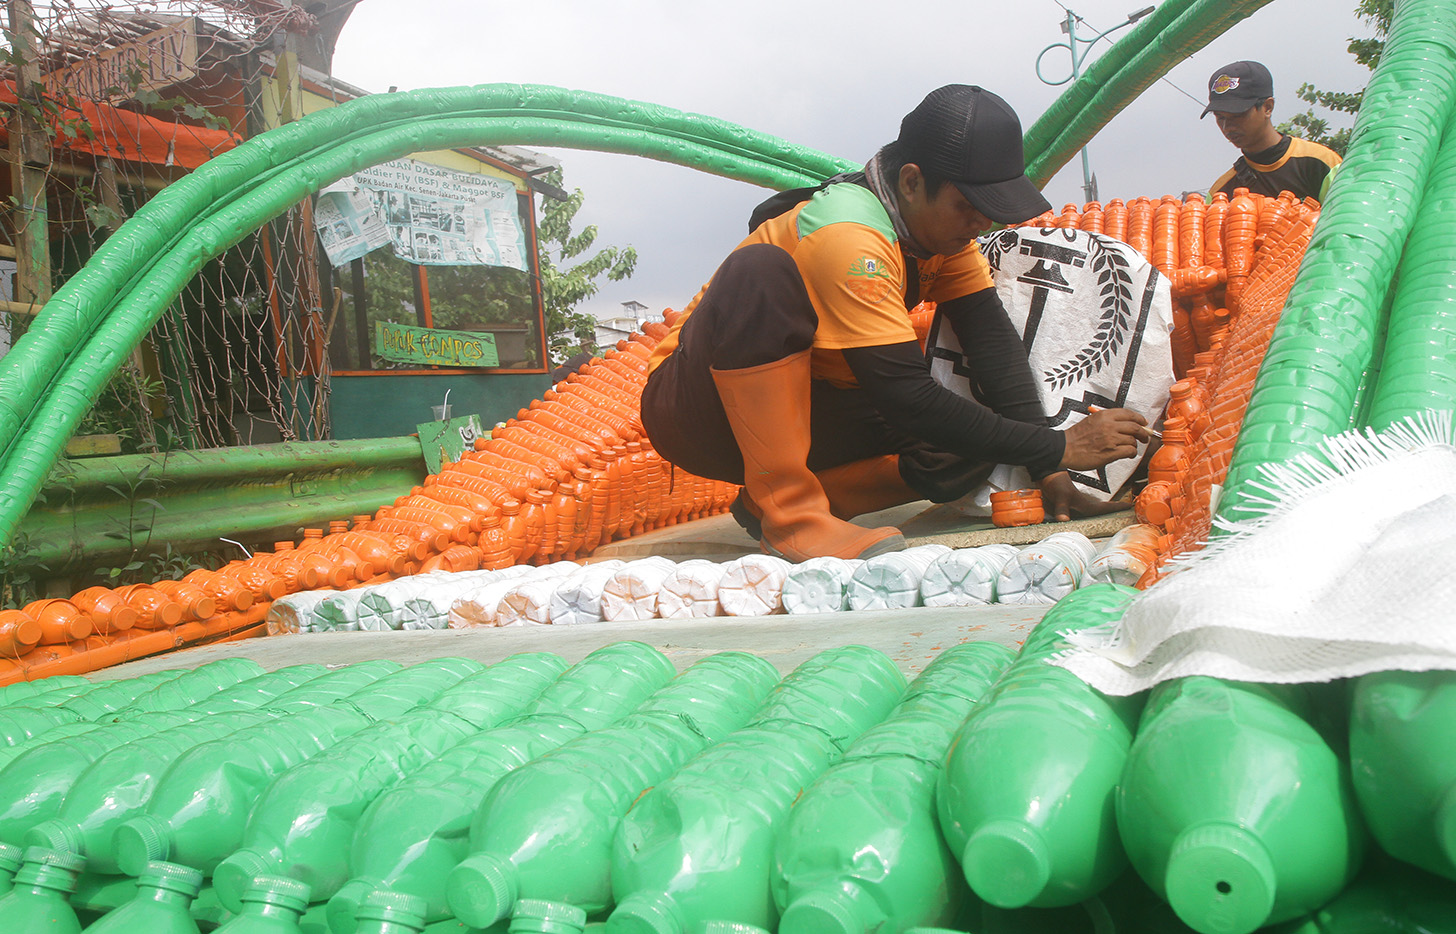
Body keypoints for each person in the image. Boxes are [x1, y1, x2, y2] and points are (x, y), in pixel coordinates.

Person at [640, 85, 1150, 563]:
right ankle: (792, 516)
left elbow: (993, 347)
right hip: (697, 412)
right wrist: (1061, 443)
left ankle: (775, 503)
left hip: (806, 404)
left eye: (990, 214)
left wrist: (1048, 468)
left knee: (974, 436)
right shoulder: (849, 232)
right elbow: (905, 397)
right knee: (762, 272)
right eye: (968, 208)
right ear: (911, 182)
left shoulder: (940, 238)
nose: (980, 225)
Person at [1204, 61, 1342, 203]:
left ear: (1268, 107)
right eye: (1220, 117)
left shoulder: (1320, 164)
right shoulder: (1221, 194)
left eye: (1238, 115)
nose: (1227, 127)